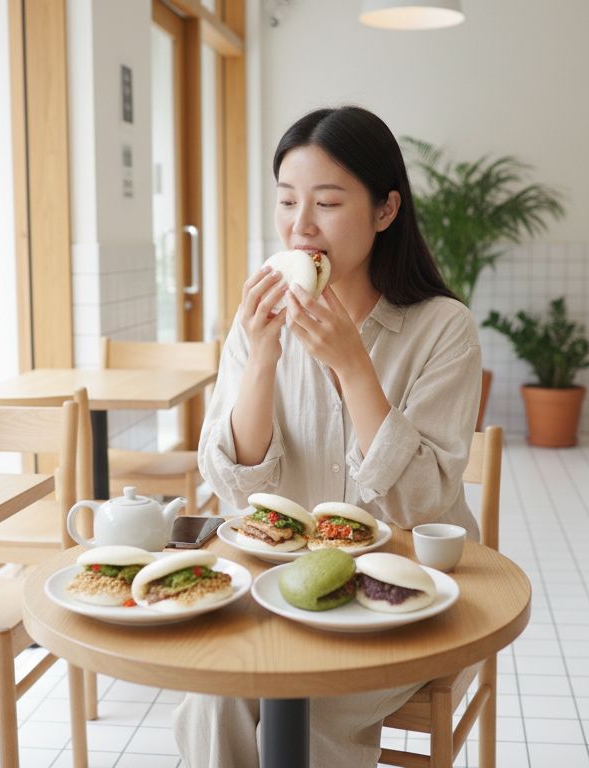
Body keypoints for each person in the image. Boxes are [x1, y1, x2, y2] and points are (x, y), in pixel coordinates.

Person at [173, 105, 482, 768]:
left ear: (385, 210)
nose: (300, 226)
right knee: (211, 701)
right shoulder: (263, 316)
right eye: (287, 201)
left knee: (307, 715)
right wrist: (261, 359)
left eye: (328, 202)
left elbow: (422, 501)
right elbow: (232, 485)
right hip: (279, 589)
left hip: (397, 598)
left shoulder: (443, 328)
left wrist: (351, 364)